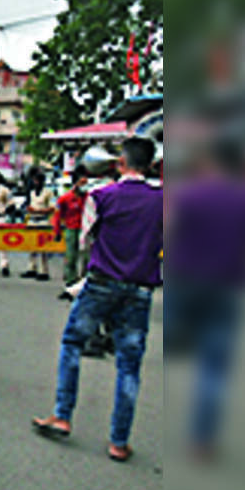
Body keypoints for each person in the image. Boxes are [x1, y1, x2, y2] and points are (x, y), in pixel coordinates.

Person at [32, 137, 163, 463]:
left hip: (102, 283)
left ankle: (62, 415)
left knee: (73, 343)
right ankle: (119, 441)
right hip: (140, 289)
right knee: (129, 365)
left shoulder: (100, 196)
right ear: (152, 164)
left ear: (121, 163)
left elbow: (89, 235)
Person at [165, 137, 245, 461]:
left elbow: (172, 235)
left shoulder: (190, 195)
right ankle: (202, 438)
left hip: (187, 279)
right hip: (228, 284)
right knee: (214, 367)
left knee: (173, 347)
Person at [52, 166, 90, 300]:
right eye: (82, 183)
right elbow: (57, 216)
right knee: (71, 258)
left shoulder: (90, 198)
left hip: (87, 230)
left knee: (87, 258)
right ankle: (70, 284)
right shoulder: (65, 198)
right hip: (71, 229)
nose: (84, 186)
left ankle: (85, 284)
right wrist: (57, 231)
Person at [21, 171, 55, 281]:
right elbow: (27, 205)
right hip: (32, 220)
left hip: (43, 220)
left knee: (42, 248)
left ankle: (43, 270)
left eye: (37, 180)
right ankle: (31, 268)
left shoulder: (48, 193)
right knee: (31, 246)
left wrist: (39, 210)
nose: (36, 182)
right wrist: (29, 209)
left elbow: (52, 207)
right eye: (34, 180)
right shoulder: (31, 193)